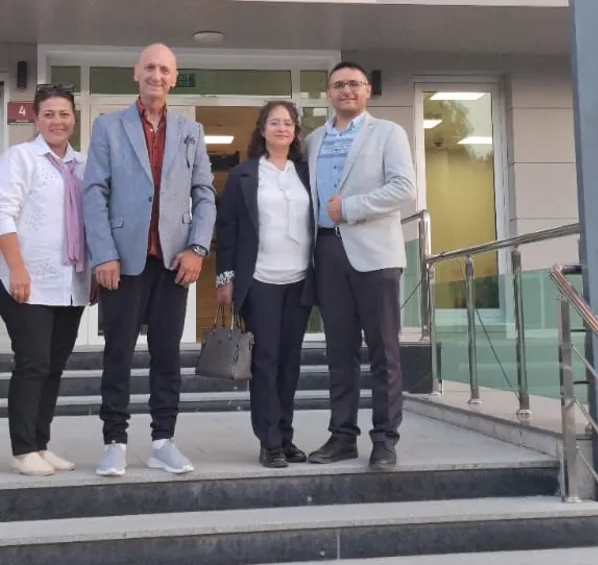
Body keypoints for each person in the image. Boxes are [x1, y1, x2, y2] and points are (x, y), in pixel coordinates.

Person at [82, 43, 216, 477]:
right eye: (150, 68)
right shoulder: (108, 127)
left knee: (167, 355)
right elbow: (94, 192)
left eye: (165, 70)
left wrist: (197, 248)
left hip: (173, 262)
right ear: (136, 73)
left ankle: (163, 441)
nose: (157, 76)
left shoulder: (191, 131)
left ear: (174, 79)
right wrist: (103, 253)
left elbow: (205, 195)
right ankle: (114, 442)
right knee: (118, 353)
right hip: (122, 261)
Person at [306, 61, 416, 469]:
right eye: (338, 85)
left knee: (384, 351)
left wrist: (350, 208)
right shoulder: (313, 140)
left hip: (375, 255)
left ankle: (385, 439)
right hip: (327, 253)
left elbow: (404, 188)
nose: (346, 90)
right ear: (328, 93)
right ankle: (342, 436)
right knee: (339, 352)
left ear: (367, 90)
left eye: (354, 83)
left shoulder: (388, 133)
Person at [0, 85, 91, 477]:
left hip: (70, 283)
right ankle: (23, 448)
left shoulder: (83, 164)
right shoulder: (20, 158)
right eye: (48, 114)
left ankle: (40, 444)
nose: (57, 121)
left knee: (54, 366)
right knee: (33, 362)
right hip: (25, 280)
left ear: (74, 118)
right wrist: (16, 267)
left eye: (64, 114)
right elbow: (1, 213)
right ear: (35, 118)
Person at [215, 101, 314, 469]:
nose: (282, 128)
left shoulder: (306, 173)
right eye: (274, 122)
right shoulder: (243, 174)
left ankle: (285, 436)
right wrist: (225, 278)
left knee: (290, 363)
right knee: (266, 361)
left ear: (296, 131)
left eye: (288, 123)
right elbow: (228, 229)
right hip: (260, 280)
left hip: (299, 280)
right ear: (262, 130)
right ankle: (268, 440)